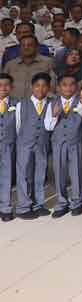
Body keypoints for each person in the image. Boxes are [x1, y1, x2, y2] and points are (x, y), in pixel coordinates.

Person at [15, 72, 55, 218]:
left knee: (39, 174)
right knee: (24, 174)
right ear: (32, 87)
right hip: (25, 144)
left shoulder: (51, 103)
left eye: (44, 86)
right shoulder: (22, 104)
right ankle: (23, 207)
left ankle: (38, 204)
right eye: (37, 86)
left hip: (41, 145)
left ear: (49, 88)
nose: (41, 89)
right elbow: (18, 126)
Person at [50, 74, 82, 218]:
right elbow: (48, 126)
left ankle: (77, 202)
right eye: (64, 85)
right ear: (58, 87)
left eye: (72, 84)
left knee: (76, 171)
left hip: (75, 142)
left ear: (77, 87)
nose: (68, 88)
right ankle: (61, 202)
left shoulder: (81, 101)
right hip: (58, 142)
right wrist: (54, 116)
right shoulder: (53, 103)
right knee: (59, 172)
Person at [0, 74, 14, 221]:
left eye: (6, 85)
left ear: (12, 87)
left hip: (9, 146)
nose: (3, 88)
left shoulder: (17, 104)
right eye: (0, 85)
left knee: (6, 176)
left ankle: (5, 208)